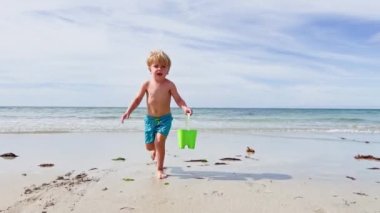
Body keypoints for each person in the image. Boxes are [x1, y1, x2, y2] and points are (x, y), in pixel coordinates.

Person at [120, 50, 192, 179]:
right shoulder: (146, 84)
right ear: (150, 68)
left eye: (164, 66)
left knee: (159, 141)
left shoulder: (169, 85)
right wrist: (128, 111)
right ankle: (154, 151)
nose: (160, 68)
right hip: (150, 119)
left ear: (168, 70)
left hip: (165, 119)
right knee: (150, 147)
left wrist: (184, 107)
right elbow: (137, 99)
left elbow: (178, 99)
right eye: (156, 66)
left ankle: (159, 169)